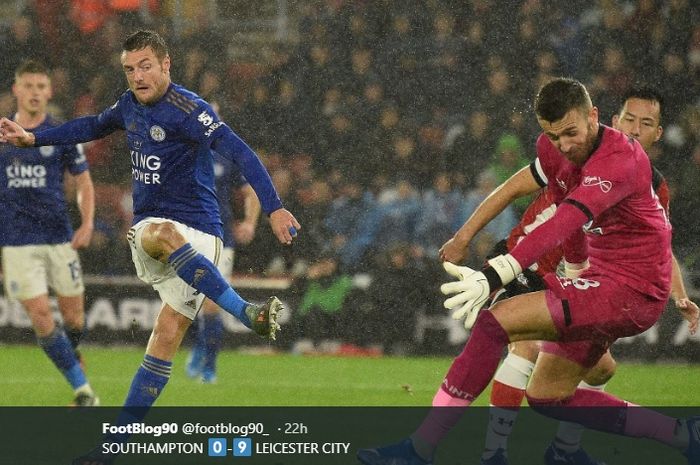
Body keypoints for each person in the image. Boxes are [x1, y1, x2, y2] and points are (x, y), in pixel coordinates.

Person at [357, 78, 700, 465]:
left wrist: (498, 270)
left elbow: (569, 220)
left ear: (595, 117)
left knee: (496, 325)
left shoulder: (622, 160)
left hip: (630, 292)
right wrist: (569, 267)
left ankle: (426, 450)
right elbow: (553, 202)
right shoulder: (555, 150)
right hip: (597, 279)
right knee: (548, 397)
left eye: (571, 132)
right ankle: (680, 435)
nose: (564, 145)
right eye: (554, 136)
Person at [0, 30, 300, 465]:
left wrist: (273, 207)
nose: (137, 76)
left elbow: (242, 153)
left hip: (204, 236)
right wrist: (34, 139)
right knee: (159, 233)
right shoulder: (127, 106)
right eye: (129, 69)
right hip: (158, 231)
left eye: (145, 66)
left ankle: (110, 451)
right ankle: (246, 312)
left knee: (164, 337)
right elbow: (88, 127)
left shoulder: (188, 109)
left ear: (166, 65)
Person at [0, 59, 98, 406]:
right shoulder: (2, 136)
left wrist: (87, 223)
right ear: (16, 90)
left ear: (49, 91)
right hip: (16, 243)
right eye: (28, 86)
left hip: (59, 238)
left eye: (41, 87)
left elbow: (84, 182)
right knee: (41, 315)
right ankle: (83, 390)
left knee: (74, 319)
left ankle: (71, 360)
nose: (35, 93)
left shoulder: (61, 134)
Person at [185, 151, 261, 384]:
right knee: (190, 302)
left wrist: (249, 222)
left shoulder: (226, 155)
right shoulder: (179, 149)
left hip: (220, 239)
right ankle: (201, 344)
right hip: (185, 237)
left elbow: (251, 191)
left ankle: (209, 367)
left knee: (211, 303)